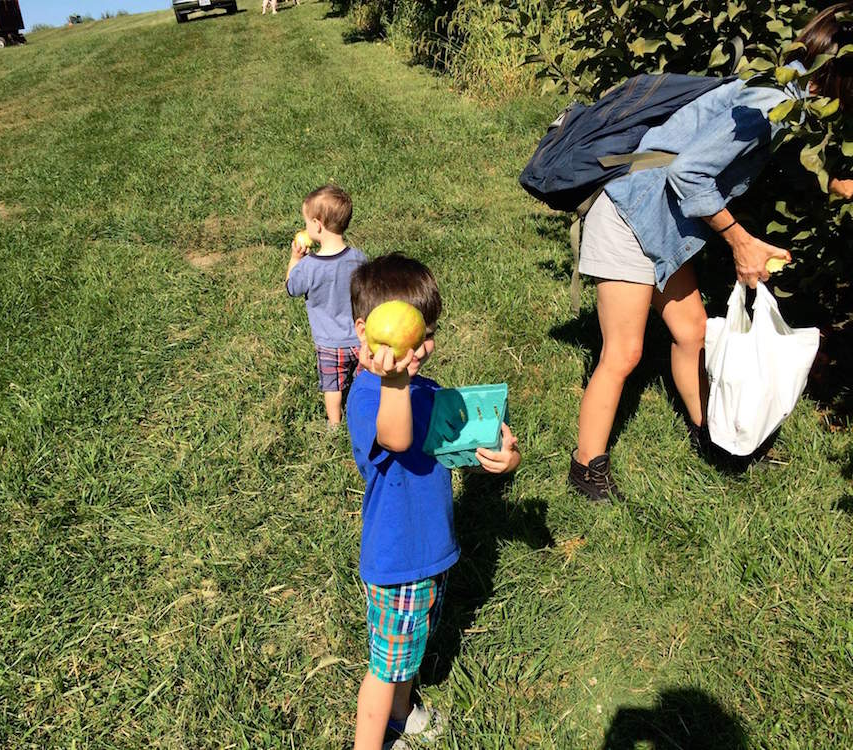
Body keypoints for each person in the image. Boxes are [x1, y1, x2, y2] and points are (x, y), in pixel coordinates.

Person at [569, 2, 853, 502]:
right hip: (630, 216)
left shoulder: (790, 97)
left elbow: (787, 161)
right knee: (624, 351)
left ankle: (710, 435)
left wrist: (835, 182)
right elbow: (688, 175)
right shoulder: (770, 101)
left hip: (665, 225)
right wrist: (741, 242)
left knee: (691, 331)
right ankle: (586, 466)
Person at [346, 253, 522, 749]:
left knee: (411, 648)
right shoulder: (369, 395)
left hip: (431, 550)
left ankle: (401, 713)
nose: (426, 346)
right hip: (398, 558)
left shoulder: (424, 388)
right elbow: (396, 438)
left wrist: (505, 458)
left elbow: (456, 444)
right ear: (365, 332)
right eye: (413, 336)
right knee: (385, 667)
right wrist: (395, 381)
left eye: (428, 333)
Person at [286, 184, 368, 428]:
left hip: (328, 343)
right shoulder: (359, 258)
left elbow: (292, 287)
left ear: (317, 224)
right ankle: (363, 412)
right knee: (364, 379)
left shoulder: (309, 266)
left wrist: (294, 260)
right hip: (360, 337)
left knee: (332, 385)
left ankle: (334, 423)